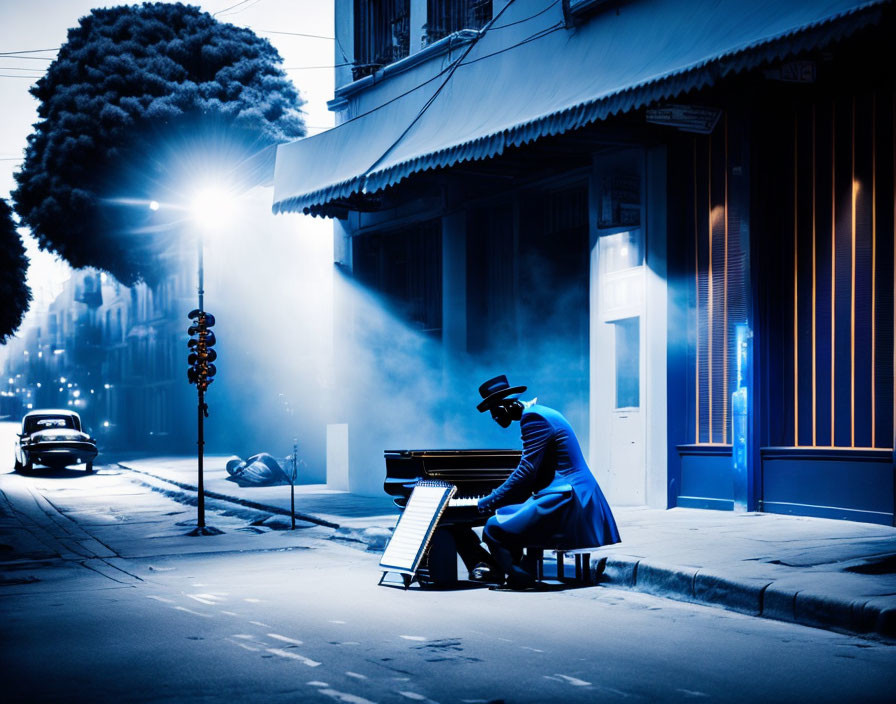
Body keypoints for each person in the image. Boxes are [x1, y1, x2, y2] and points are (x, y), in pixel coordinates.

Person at [475, 374, 621, 589]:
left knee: (493, 527)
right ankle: (523, 570)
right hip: (569, 494)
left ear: (507, 406)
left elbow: (526, 470)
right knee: (511, 514)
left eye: (495, 411)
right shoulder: (540, 413)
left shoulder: (533, 419)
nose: (494, 418)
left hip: (569, 499)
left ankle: (519, 578)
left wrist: (490, 500)